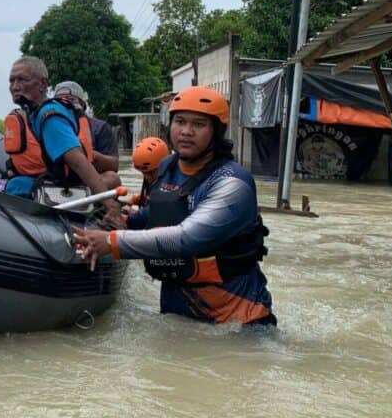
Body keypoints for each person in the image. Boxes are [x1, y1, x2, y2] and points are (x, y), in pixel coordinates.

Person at [74, 86, 275, 326]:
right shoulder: (168, 166)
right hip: (177, 308)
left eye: (199, 124)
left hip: (236, 320)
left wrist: (111, 242)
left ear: (216, 132)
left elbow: (186, 238)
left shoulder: (232, 184)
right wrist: (124, 221)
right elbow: (161, 213)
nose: (186, 132)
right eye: (180, 121)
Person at [4, 57, 122, 224]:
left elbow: (78, 161)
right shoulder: (32, 113)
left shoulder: (50, 117)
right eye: (12, 81)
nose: (15, 87)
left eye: (22, 80)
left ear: (43, 85)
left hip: (58, 188)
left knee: (15, 185)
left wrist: (111, 207)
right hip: (45, 182)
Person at [53, 81, 119, 173]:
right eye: (59, 101)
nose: (64, 104)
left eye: (70, 99)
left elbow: (114, 165)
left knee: (112, 177)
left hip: (92, 175)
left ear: (82, 103)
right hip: (57, 176)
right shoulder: (48, 126)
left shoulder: (100, 128)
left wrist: (91, 156)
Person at [123, 137, 170, 219]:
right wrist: (135, 199)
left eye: (150, 173)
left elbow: (156, 215)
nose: (147, 177)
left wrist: (131, 213)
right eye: (143, 173)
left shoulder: (170, 186)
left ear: (165, 166)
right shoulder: (153, 180)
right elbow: (149, 197)